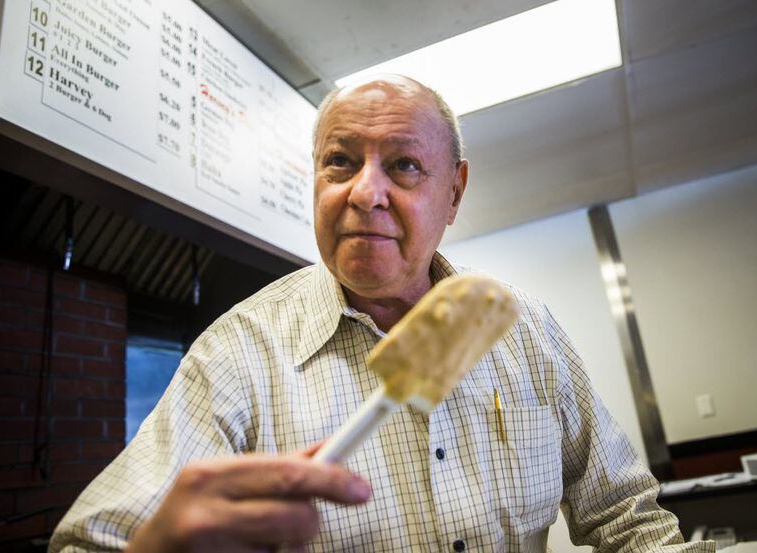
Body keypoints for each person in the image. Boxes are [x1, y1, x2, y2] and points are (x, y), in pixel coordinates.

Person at [50, 75, 712, 552]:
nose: (366, 193)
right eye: (340, 161)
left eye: (402, 165)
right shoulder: (236, 355)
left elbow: (624, 514)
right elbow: (87, 544)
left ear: (453, 192)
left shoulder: (525, 331)